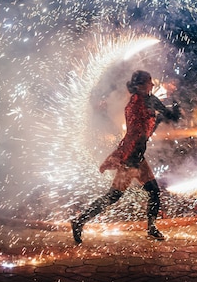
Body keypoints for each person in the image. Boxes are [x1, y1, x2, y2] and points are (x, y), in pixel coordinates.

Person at [71, 70, 181, 243]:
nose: (152, 85)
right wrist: (127, 160)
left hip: (138, 157)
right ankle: (79, 221)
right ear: (141, 85)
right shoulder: (135, 105)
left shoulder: (150, 100)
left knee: (153, 191)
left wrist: (172, 109)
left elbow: (167, 118)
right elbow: (136, 134)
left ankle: (152, 229)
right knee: (113, 196)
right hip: (131, 158)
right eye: (149, 82)